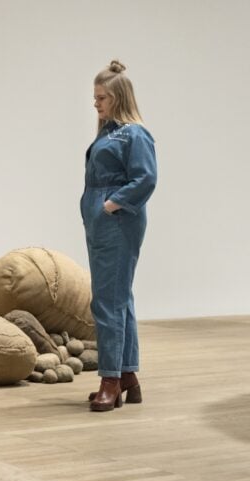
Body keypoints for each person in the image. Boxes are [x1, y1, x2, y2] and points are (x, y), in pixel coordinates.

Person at [81, 60, 157, 412]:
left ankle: (109, 379)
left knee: (107, 301)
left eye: (102, 97)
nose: (96, 103)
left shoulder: (135, 133)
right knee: (118, 299)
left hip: (118, 221)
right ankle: (127, 376)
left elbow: (146, 178)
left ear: (118, 96)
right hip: (102, 221)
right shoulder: (109, 132)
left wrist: (112, 204)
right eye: (95, 97)